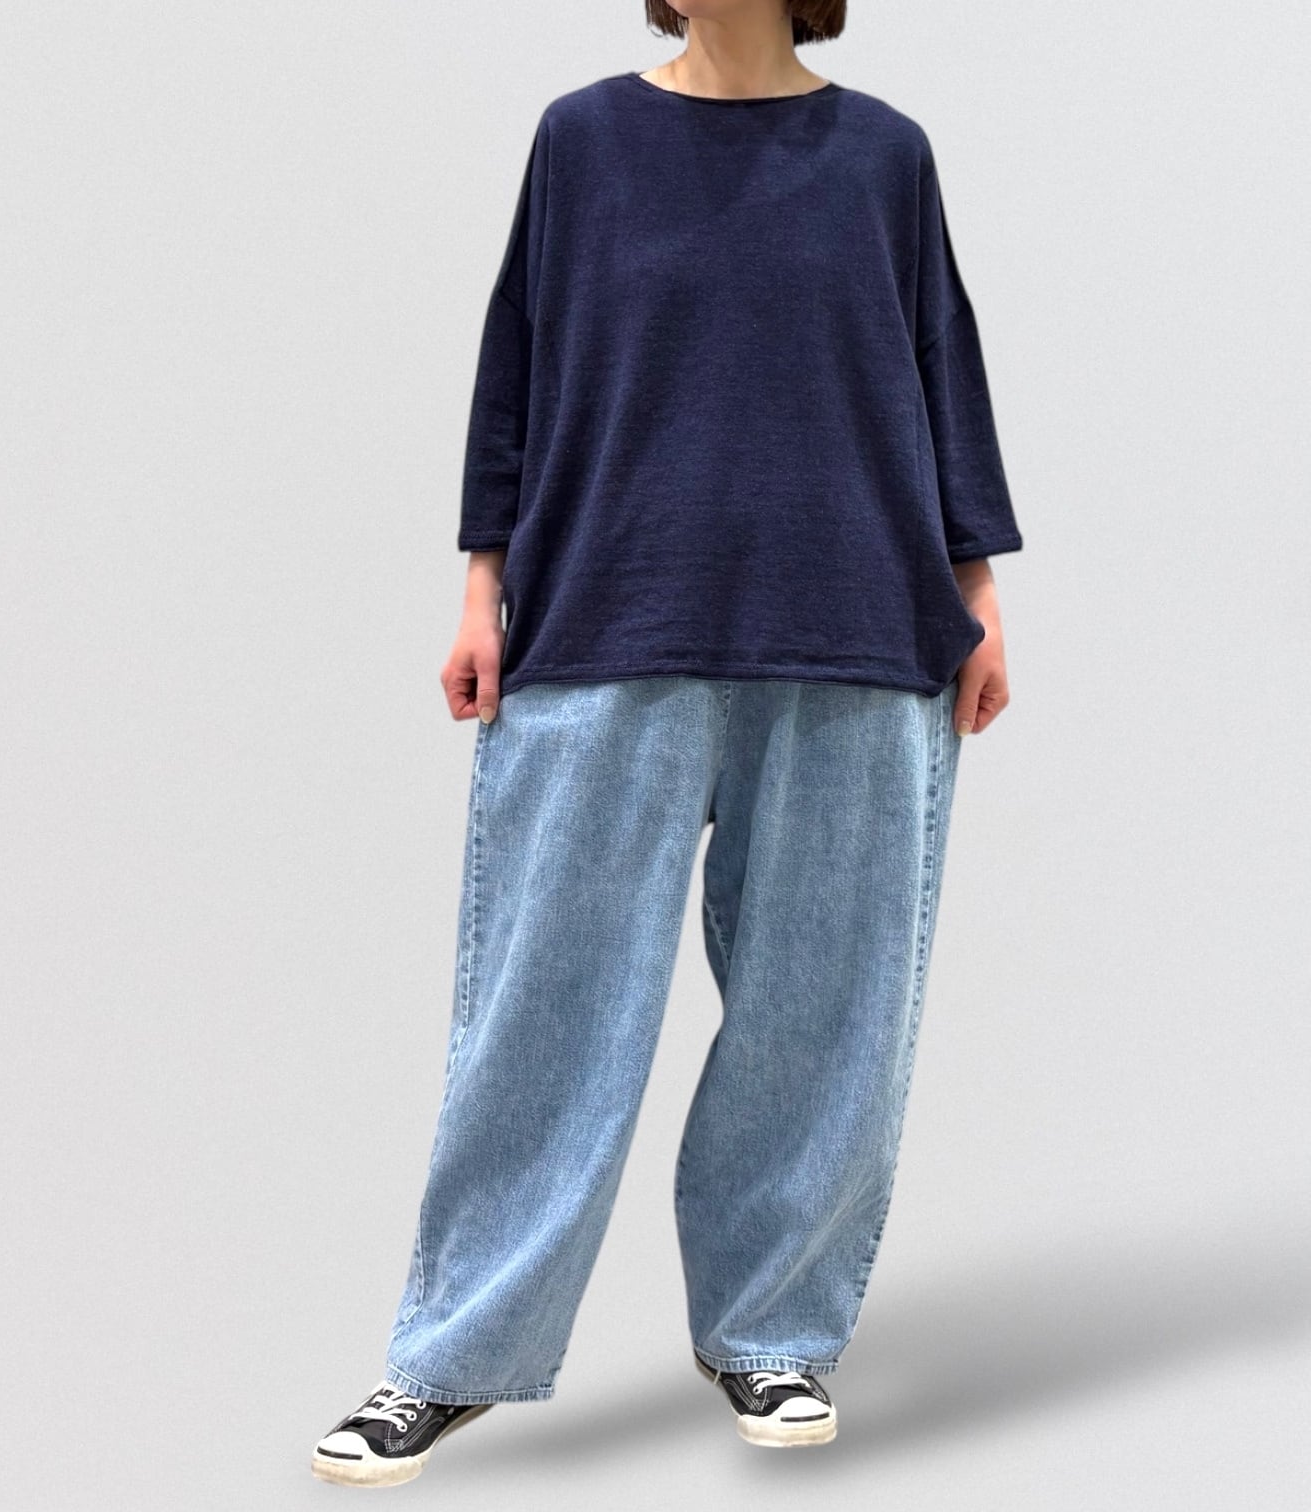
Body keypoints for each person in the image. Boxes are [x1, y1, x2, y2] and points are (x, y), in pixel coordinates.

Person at [312, 0, 1023, 1488]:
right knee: (545, 1011)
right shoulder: (583, 141)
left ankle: (773, 1333)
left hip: (855, 627)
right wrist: (481, 589)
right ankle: (448, 1356)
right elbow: (518, 369)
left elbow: (939, 371)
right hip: (607, 617)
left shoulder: (885, 157)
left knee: (821, 1015)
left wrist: (979, 597)